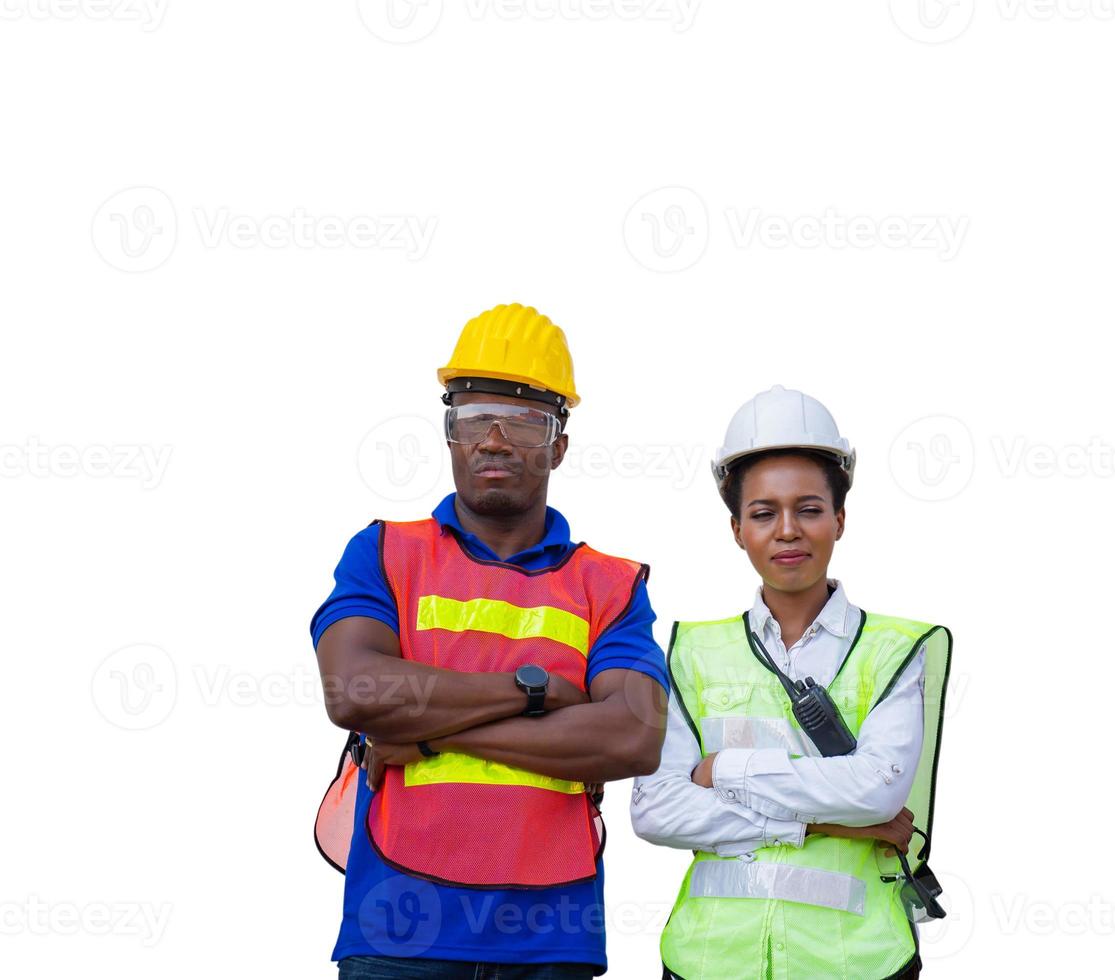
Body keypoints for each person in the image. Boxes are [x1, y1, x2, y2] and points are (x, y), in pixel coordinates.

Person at [311, 304, 669, 979]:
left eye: (526, 421)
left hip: (552, 937)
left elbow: (633, 737)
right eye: (474, 418)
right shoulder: (385, 552)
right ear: (450, 435)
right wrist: (530, 693)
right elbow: (353, 689)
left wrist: (422, 734)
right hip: (398, 932)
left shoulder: (612, 584)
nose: (496, 439)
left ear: (559, 444)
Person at [632, 385, 953, 980]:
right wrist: (815, 821)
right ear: (736, 528)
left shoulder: (896, 649)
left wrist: (721, 769)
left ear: (840, 519)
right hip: (710, 961)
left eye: (808, 509)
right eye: (763, 513)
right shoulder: (691, 650)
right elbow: (657, 809)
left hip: (857, 963)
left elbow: (876, 793)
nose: (787, 530)